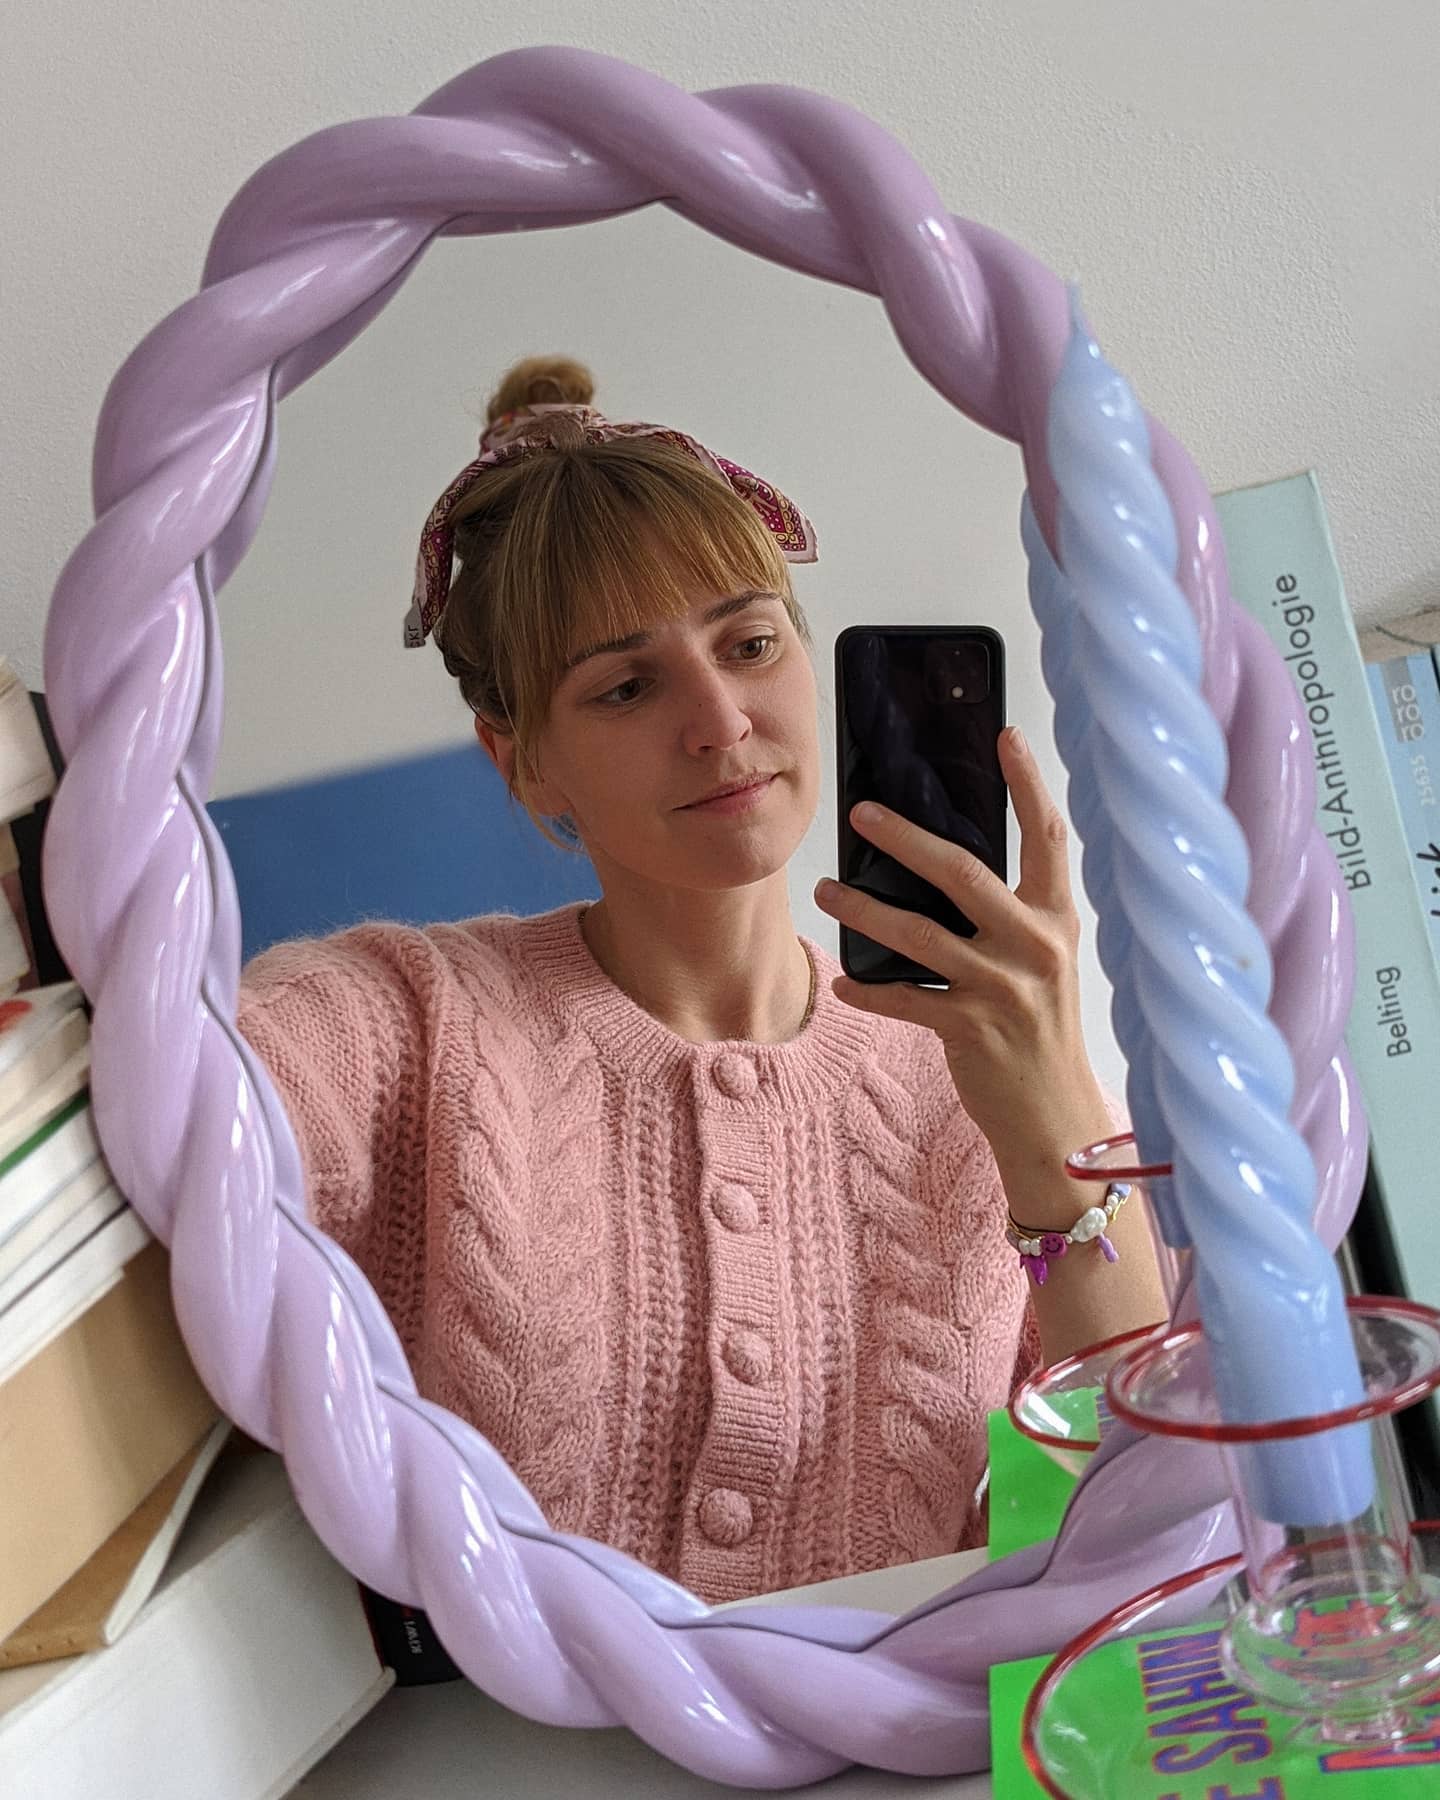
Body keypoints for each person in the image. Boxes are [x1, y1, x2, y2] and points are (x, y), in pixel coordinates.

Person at [237, 355, 1166, 1606]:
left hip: (908, 1721)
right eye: (627, 686)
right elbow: (177, 1096)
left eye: (750, 642)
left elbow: (1131, 1514)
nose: (721, 719)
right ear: (522, 762)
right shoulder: (407, 1020)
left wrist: (1054, 1121)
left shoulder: (981, 1059)